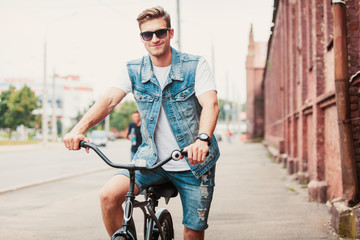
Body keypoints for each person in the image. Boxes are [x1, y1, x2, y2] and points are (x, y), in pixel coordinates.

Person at [63, 6, 220, 240]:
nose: (154, 39)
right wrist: (78, 129)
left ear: (170, 33)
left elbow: (211, 104)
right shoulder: (134, 69)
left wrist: (202, 139)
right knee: (108, 196)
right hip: (151, 161)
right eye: (148, 34)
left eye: (160, 32)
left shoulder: (195, 65)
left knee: (192, 232)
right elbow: (108, 101)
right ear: (142, 38)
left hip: (193, 164)